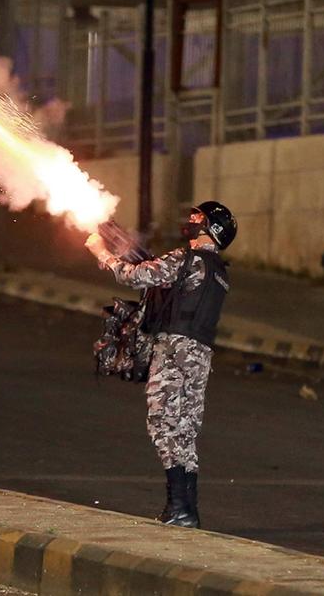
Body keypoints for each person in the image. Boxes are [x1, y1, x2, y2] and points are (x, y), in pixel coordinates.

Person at [84, 201, 237, 528]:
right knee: (185, 429)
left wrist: (102, 252)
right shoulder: (218, 271)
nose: (192, 221)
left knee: (163, 422)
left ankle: (179, 509)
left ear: (212, 229)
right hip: (200, 355)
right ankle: (185, 510)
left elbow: (136, 276)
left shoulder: (186, 259)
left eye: (199, 218)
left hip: (174, 350)